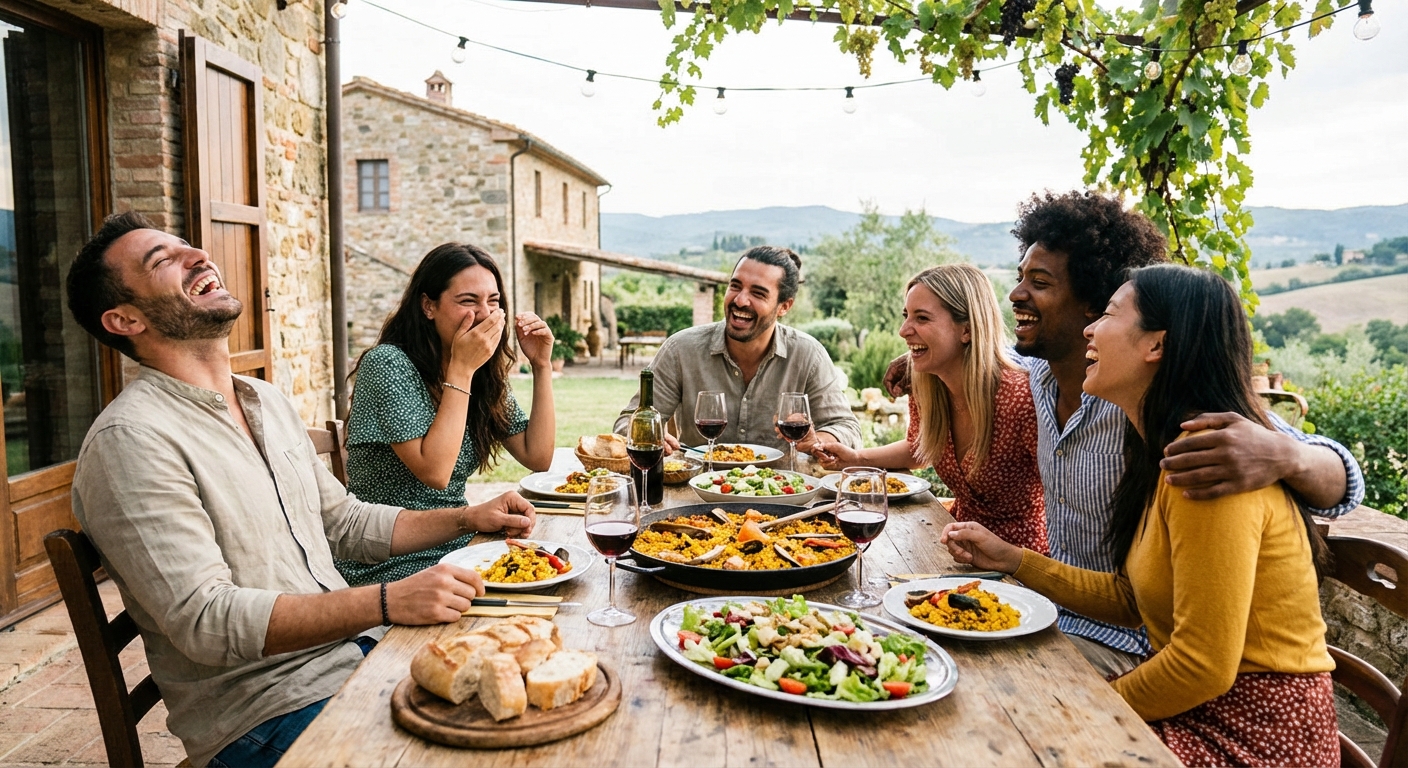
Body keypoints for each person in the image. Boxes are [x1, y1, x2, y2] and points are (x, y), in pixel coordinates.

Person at [65, 212, 536, 768]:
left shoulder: (264, 401)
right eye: (163, 261)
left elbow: (345, 523)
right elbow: (206, 621)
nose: (198, 256)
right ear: (123, 320)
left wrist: (469, 518)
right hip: (265, 710)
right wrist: (387, 600)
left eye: (189, 246)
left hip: (352, 657)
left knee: (530, 698)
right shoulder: (132, 442)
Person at [883, 190, 1364, 678]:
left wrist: (1286, 455)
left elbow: (1345, 483)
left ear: (1096, 306)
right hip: (1051, 610)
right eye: (1020, 277)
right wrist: (921, 353)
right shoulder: (1039, 377)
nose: (1015, 295)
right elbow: (984, 350)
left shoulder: (1152, 403)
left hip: (1131, 642)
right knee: (905, 644)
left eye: (1040, 282)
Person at [942, 264, 1338, 767]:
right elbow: (1131, 596)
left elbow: (1201, 666)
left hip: (1251, 733)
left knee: (1003, 735)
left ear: (1156, 345)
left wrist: (1086, 708)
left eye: (1107, 314)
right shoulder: (1155, 444)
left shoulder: (1208, 464)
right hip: (1198, 706)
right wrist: (1014, 559)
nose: (1089, 329)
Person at [336, 243, 555, 586]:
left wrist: (541, 365)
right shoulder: (388, 364)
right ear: (428, 306)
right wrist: (462, 370)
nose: (484, 314)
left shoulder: (477, 370)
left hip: (460, 545)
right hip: (390, 562)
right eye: (468, 301)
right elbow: (437, 472)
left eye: (493, 301)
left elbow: (537, 456)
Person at [813, 264, 1047, 552]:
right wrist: (855, 457)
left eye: (921, 318)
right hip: (955, 548)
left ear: (967, 330)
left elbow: (1065, 500)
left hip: (1023, 563)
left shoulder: (1020, 400)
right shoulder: (929, 385)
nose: (903, 331)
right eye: (906, 316)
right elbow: (920, 448)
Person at [613, 246, 861, 453]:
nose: (740, 300)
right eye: (735, 286)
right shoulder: (681, 349)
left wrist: (820, 440)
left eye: (758, 293)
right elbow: (627, 421)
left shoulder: (808, 355)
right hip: (699, 494)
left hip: (781, 494)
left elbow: (847, 428)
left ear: (784, 306)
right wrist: (648, 435)